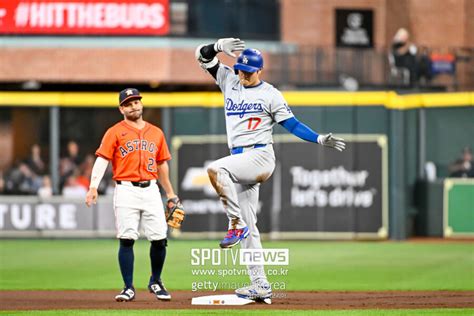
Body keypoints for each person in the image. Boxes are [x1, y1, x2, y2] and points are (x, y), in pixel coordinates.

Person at [195, 38, 346, 302]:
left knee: (216, 169)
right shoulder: (229, 80)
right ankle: (260, 284)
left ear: (260, 71)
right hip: (240, 160)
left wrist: (319, 138)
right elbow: (201, 56)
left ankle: (234, 224)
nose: (243, 75)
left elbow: (293, 125)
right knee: (250, 228)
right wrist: (218, 46)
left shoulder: (270, 94)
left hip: (261, 155)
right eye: (240, 70)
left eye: (248, 72)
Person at [85, 88, 180, 302]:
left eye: (136, 101)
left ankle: (155, 281)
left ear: (141, 104)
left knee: (159, 239)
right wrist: (93, 187)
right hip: (126, 189)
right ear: (121, 109)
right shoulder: (114, 132)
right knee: (127, 239)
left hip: (151, 189)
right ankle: (128, 287)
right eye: (128, 103)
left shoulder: (156, 133)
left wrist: (171, 193)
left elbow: (162, 165)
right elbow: (102, 160)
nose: (133, 106)